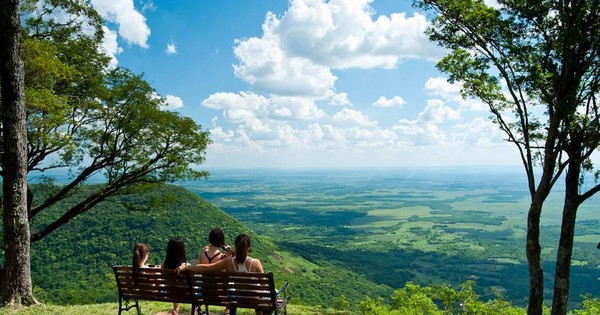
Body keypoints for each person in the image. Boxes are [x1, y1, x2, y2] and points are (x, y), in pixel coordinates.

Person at [177, 234, 265, 315]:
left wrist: (187, 267)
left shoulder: (229, 262)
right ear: (249, 247)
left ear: (235, 246)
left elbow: (207, 268)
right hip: (255, 299)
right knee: (272, 295)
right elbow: (264, 285)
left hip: (238, 298)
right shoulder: (255, 263)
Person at [162, 238, 187, 315]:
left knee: (174, 287)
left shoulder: (164, 265)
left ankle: (176, 309)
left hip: (169, 292)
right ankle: (195, 310)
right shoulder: (185, 266)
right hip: (186, 293)